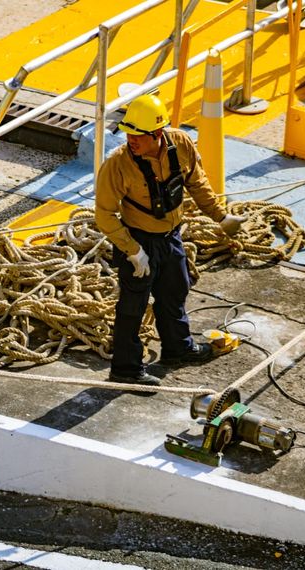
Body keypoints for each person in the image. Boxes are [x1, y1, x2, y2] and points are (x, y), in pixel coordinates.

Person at [94, 94, 247, 387]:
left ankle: (177, 348)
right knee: (132, 308)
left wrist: (221, 216)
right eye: (128, 133)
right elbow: (104, 215)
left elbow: (197, 183)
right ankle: (125, 370)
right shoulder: (118, 165)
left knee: (174, 291)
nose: (130, 140)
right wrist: (133, 251)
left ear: (157, 133)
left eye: (137, 135)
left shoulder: (181, 145)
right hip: (138, 241)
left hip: (171, 237)